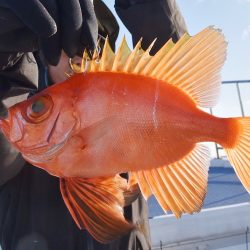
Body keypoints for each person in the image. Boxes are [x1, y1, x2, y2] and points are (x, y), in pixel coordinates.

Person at [0, 0, 187, 249]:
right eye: (69, 47)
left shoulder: (130, 84)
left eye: (90, 49)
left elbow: (178, 78)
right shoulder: (14, 80)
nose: (80, 63)